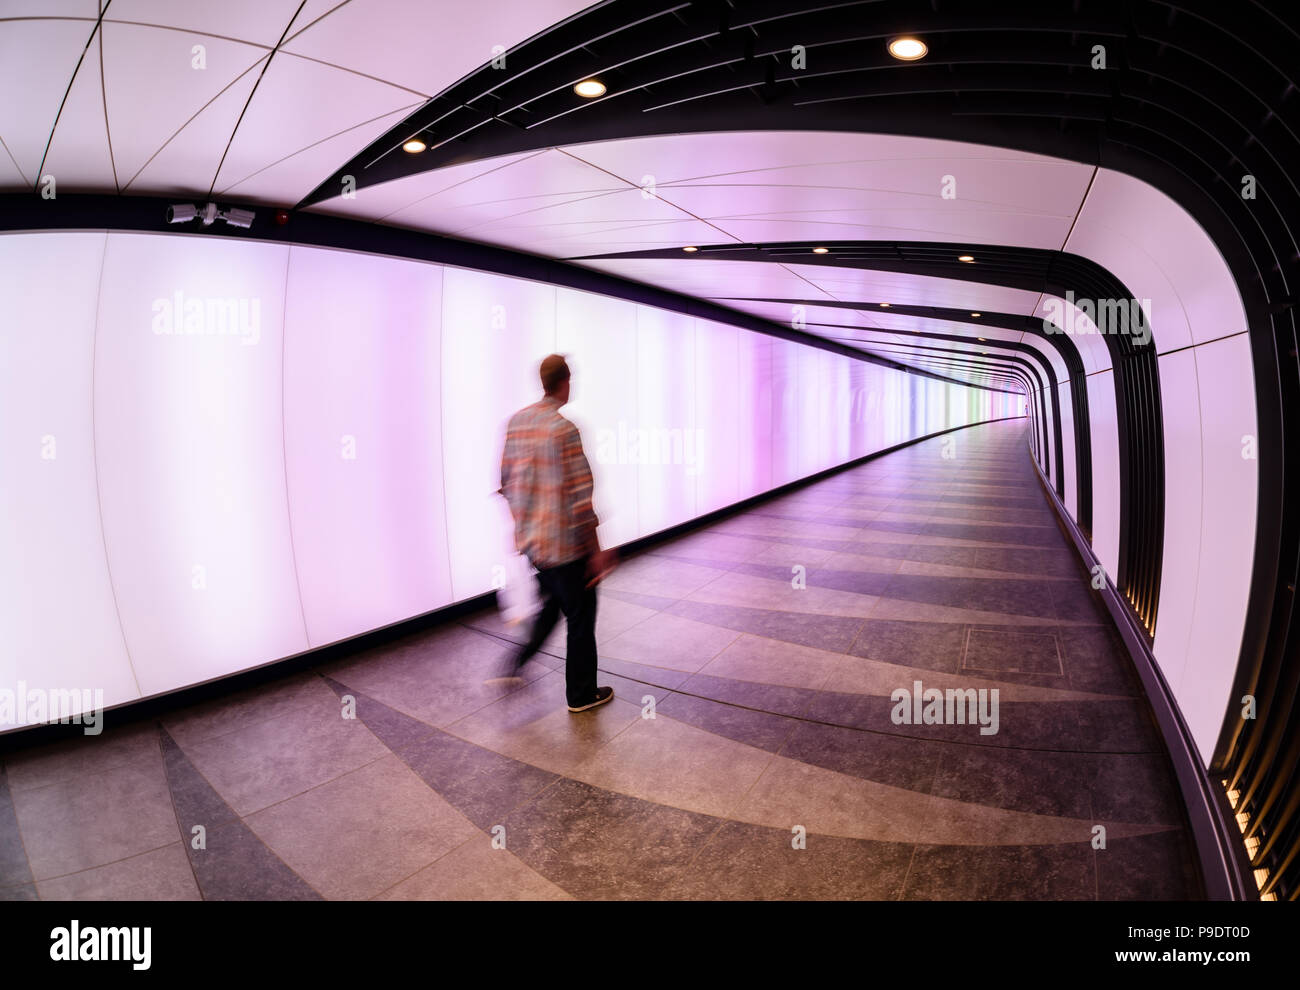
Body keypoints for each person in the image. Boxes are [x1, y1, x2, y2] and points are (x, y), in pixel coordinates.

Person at [497, 354, 618, 711]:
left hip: (536, 544)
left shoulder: (517, 423)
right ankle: (581, 694)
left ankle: (515, 663)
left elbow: (506, 482)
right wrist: (597, 550)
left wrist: (521, 526)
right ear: (565, 382)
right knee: (580, 617)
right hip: (566, 547)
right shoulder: (564, 429)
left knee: (552, 605)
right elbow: (581, 497)